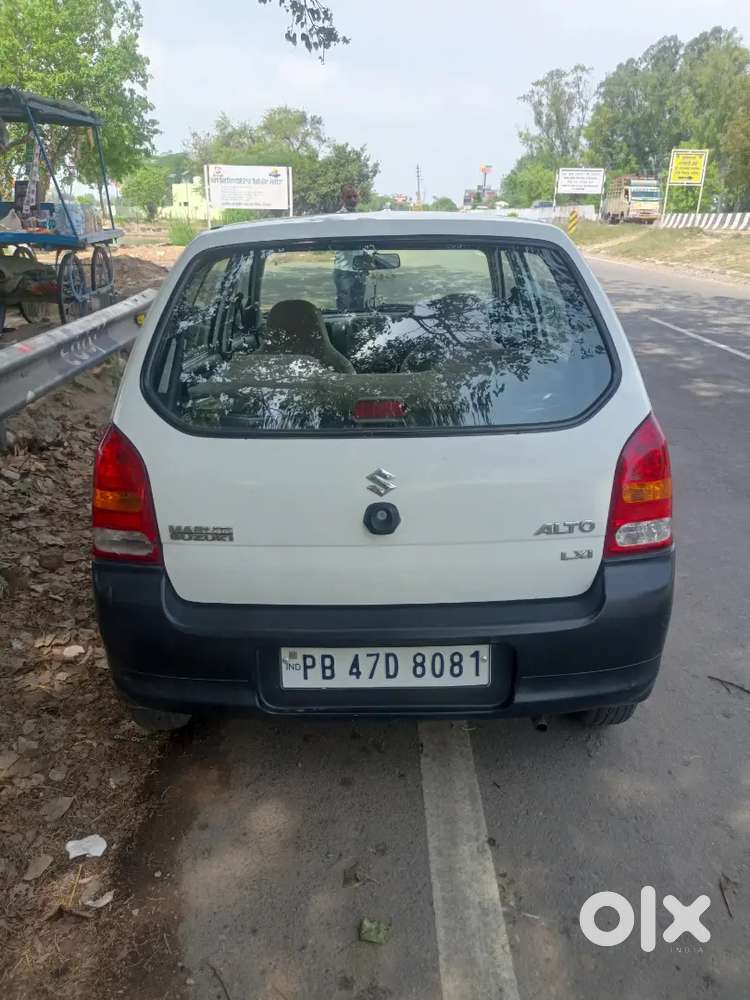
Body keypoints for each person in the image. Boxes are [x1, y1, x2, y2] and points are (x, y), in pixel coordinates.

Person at [334, 186, 367, 311]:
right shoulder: (338, 217)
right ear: (342, 199)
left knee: (358, 306)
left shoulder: (361, 217)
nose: (353, 199)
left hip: (359, 269)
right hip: (343, 269)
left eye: (355, 196)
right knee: (343, 306)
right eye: (349, 197)